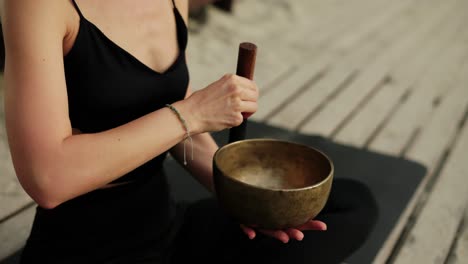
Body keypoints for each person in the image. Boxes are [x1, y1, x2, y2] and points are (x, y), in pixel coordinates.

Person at [0, 0, 378, 263]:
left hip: (167, 225)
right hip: (86, 246)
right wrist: (193, 112)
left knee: (353, 203)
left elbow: (170, 116)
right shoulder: (39, 5)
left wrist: (242, 200)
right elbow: (47, 177)